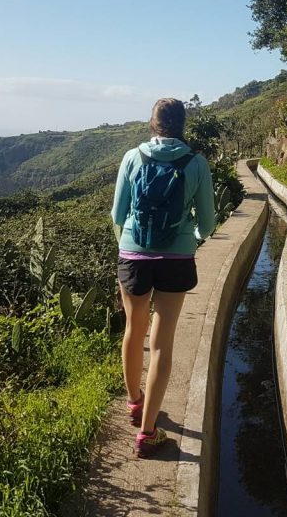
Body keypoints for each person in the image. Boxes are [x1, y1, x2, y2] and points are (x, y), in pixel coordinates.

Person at [110, 98, 215, 458]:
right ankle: (148, 433)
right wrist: (190, 237)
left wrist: (129, 244)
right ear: (182, 124)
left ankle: (134, 403)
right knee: (161, 343)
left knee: (133, 330)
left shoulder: (132, 158)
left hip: (133, 254)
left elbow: (117, 213)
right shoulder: (197, 163)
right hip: (176, 257)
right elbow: (208, 223)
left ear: (153, 124)